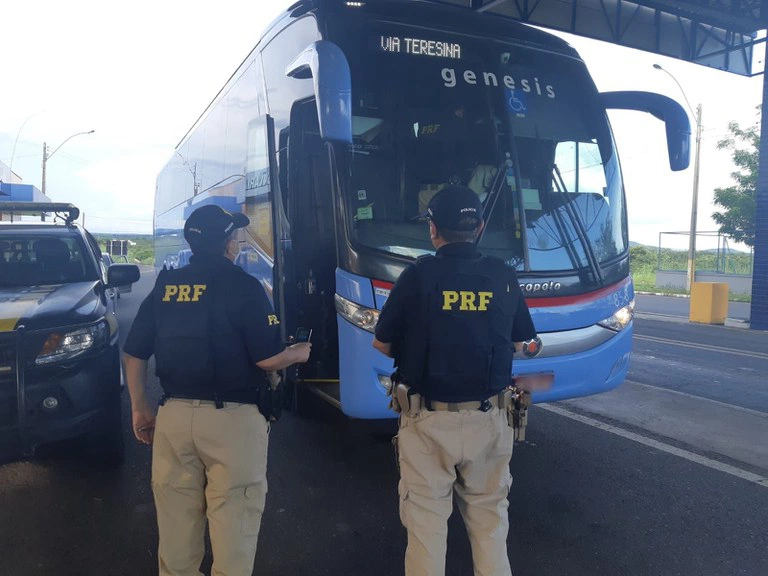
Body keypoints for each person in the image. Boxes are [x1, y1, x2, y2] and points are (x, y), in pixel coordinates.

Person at [123, 204, 311, 576]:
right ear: (228, 244)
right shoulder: (243, 285)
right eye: (235, 236)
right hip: (233, 425)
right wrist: (298, 353)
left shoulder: (166, 285)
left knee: (176, 536)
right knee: (234, 535)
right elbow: (267, 359)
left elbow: (133, 354)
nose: (238, 242)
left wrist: (140, 407)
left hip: (174, 418)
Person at [373, 185, 538, 576]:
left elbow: (382, 345)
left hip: (428, 421)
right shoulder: (503, 276)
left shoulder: (416, 276)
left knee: (427, 525)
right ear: (479, 227)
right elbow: (524, 342)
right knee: (490, 524)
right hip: (492, 419)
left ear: (433, 229)